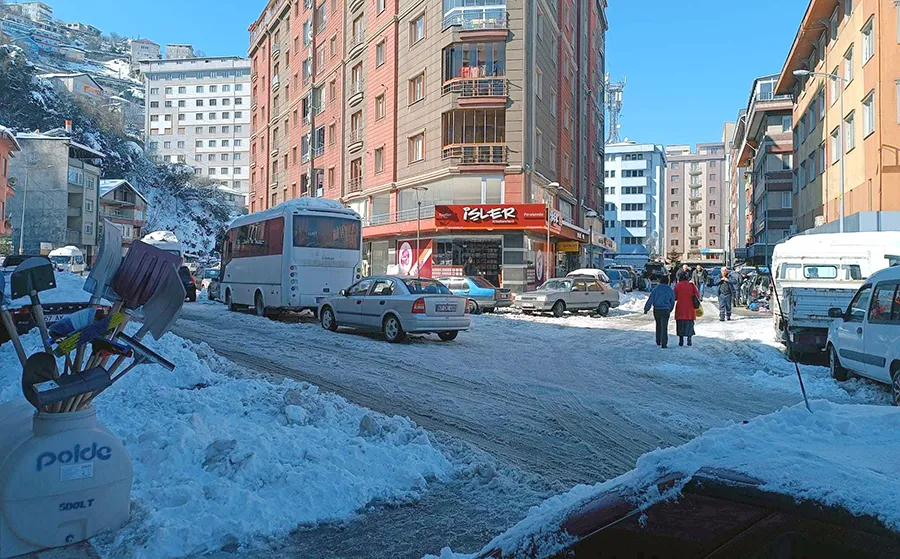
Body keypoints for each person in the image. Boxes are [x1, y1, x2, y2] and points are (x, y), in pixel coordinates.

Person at [644, 276, 675, 348]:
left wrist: (646, 309)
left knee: (658, 325)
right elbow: (672, 301)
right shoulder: (670, 290)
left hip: (657, 310)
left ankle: (658, 341)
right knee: (664, 327)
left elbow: (651, 299)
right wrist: (670, 309)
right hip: (666, 310)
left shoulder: (656, 289)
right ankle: (664, 343)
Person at [674, 272, 700, 347]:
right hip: (690, 308)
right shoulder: (692, 286)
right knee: (689, 324)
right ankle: (689, 340)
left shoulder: (677, 286)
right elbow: (697, 295)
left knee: (680, 324)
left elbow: (675, 297)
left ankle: (681, 341)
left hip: (680, 308)